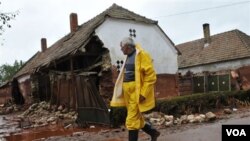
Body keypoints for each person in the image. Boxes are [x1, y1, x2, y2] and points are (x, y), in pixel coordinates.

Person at [110, 37, 160, 141]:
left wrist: (143, 93)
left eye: (122, 47)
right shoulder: (127, 57)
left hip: (136, 93)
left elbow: (150, 76)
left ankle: (152, 133)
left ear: (128, 47)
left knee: (131, 120)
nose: (121, 49)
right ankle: (153, 132)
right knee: (136, 117)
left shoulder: (142, 55)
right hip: (128, 92)